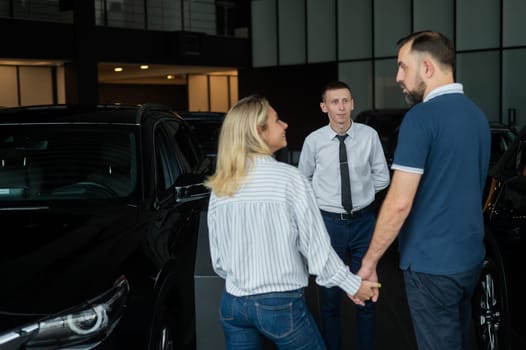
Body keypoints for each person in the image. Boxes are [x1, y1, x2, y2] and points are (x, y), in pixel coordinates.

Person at [205, 94, 381, 350]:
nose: (285, 125)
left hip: (233, 305)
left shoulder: (221, 186)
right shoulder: (290, 179)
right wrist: (355, 286)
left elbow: (219, 261)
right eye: (277, 121)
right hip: (280, 306)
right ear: (259, 131)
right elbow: (318, 253)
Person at [357, 31, 491, 350]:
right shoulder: (478, 117)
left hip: (431, 267)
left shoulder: (420, 119)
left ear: (427, 68)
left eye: (403, 67)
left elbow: (400, 202)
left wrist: (370, 261)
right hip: (469, 260)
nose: (398, 77)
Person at [298, 81, 390, 350]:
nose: (341, 107)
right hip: (328, 225)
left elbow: (382, 177)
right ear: (324, 107)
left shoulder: (368, 136)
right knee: (329, 301)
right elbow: (304, 181)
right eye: (335, 102)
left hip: (364, 223)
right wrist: (322, 204)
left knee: (369, 293)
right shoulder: (313, 141)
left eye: (346, 101)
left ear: (352, 104)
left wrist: (362, 195)